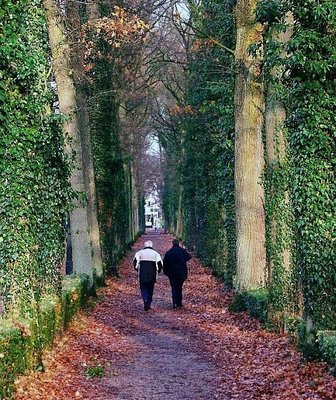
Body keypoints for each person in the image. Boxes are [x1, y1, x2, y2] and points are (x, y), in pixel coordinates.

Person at [133, 240, 163, 311]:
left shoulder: (139, 253)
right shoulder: (156, 254)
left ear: (144, 245)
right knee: (150, 289)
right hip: (152, 275)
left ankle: (145, 300)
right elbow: (160, 265)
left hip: (142, 274)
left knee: (143, 288)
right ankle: (148, 303)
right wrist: (157, 271)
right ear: (151, 246)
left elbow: (135, 263)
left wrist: (138, 270)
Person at [163, 239, 192, 309]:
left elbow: (165, 263)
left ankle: (174, 303)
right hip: (181, 272)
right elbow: (189, 257)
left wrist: (166, 272)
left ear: (172, 244)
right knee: (179, 287)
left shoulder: (169, 252)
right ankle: (179, 302)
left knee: (174, 287)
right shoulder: (182, 251)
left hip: (172, 273)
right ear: (178, 243)